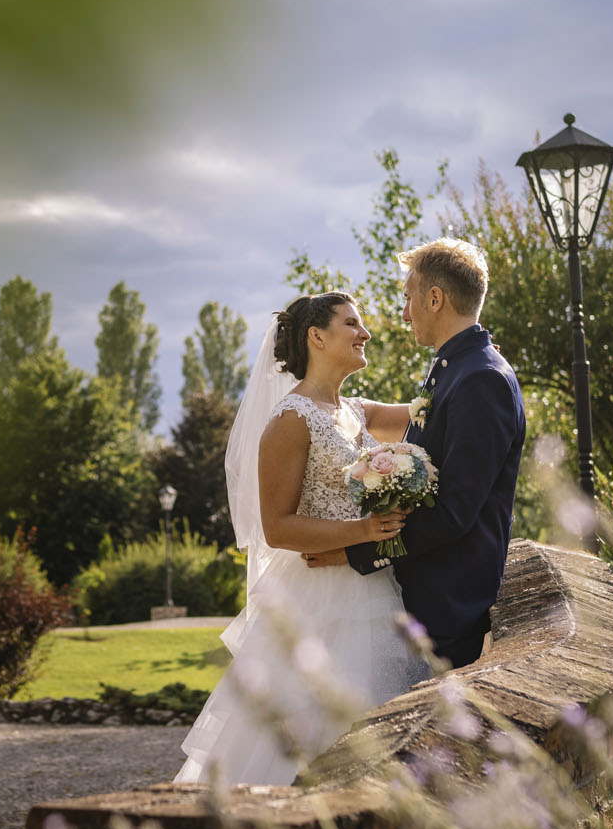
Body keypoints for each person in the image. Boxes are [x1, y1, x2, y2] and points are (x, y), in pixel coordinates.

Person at [171, 292, 432, 787]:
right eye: (352, 323)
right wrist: (363, 531)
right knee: (312, 731)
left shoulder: (356, 411)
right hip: (318, 601)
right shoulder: (291, 420)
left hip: (375, 586)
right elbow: (278, 526)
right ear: (317, 336)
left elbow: (429, 414)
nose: (366, 334)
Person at [330, 238, 526, 669]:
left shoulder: (482, 380)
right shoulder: (455, 367)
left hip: (448, 607)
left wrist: (355, 549)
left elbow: (454, 513)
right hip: (429, 596)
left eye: (407, 298)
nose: (403, 313)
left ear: (434, 298)